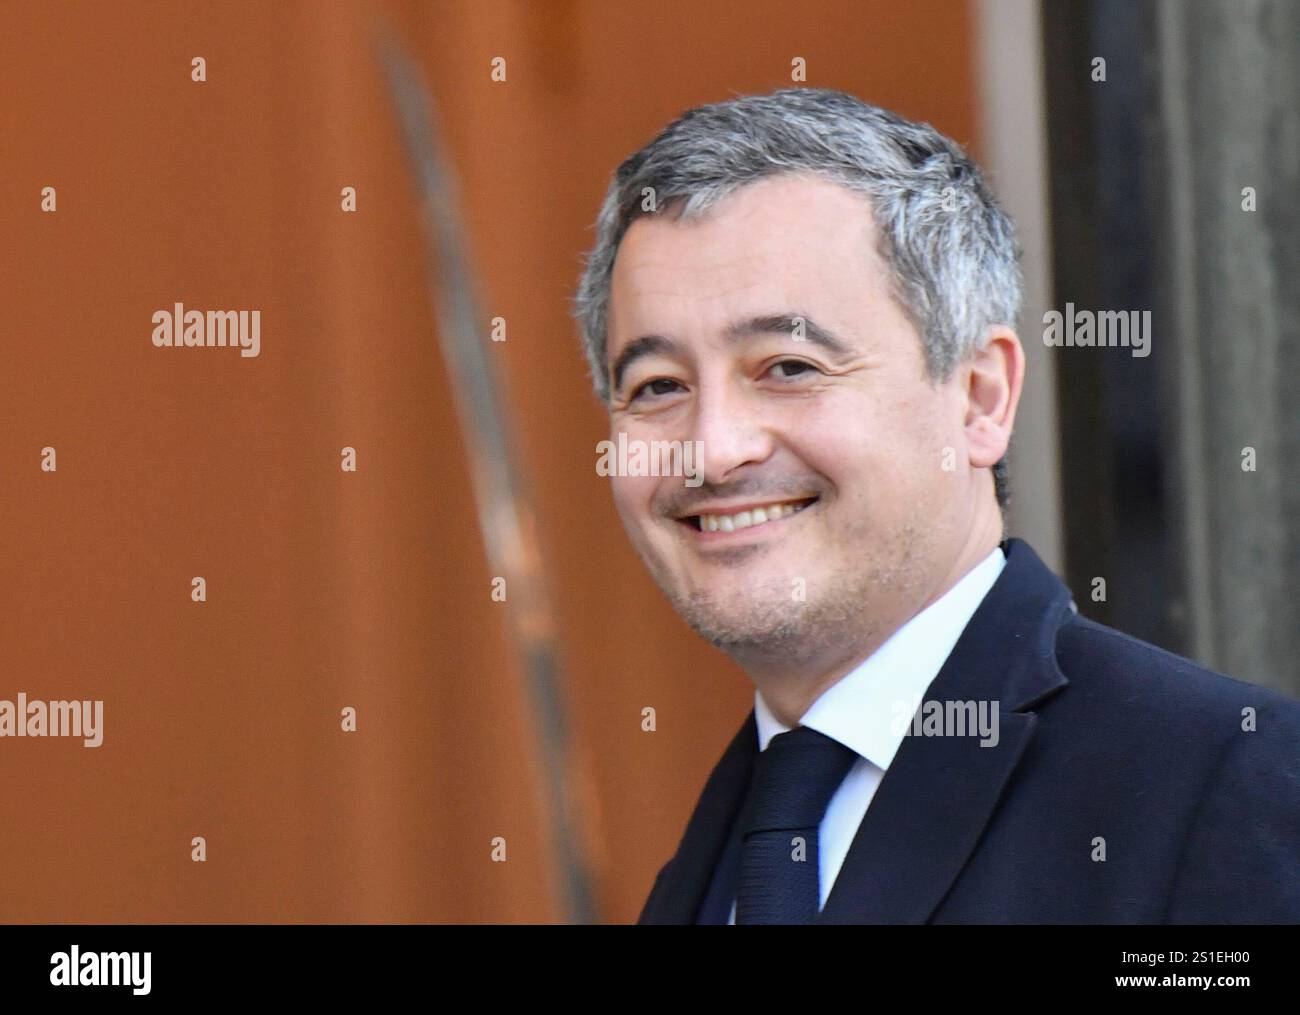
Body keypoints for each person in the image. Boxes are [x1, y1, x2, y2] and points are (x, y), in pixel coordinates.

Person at [571, 88, 1300, 924]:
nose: (713, 448)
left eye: (789, 366)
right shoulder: (709, 863)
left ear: (980, 398)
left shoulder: (1226, 786)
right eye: (657, 386)